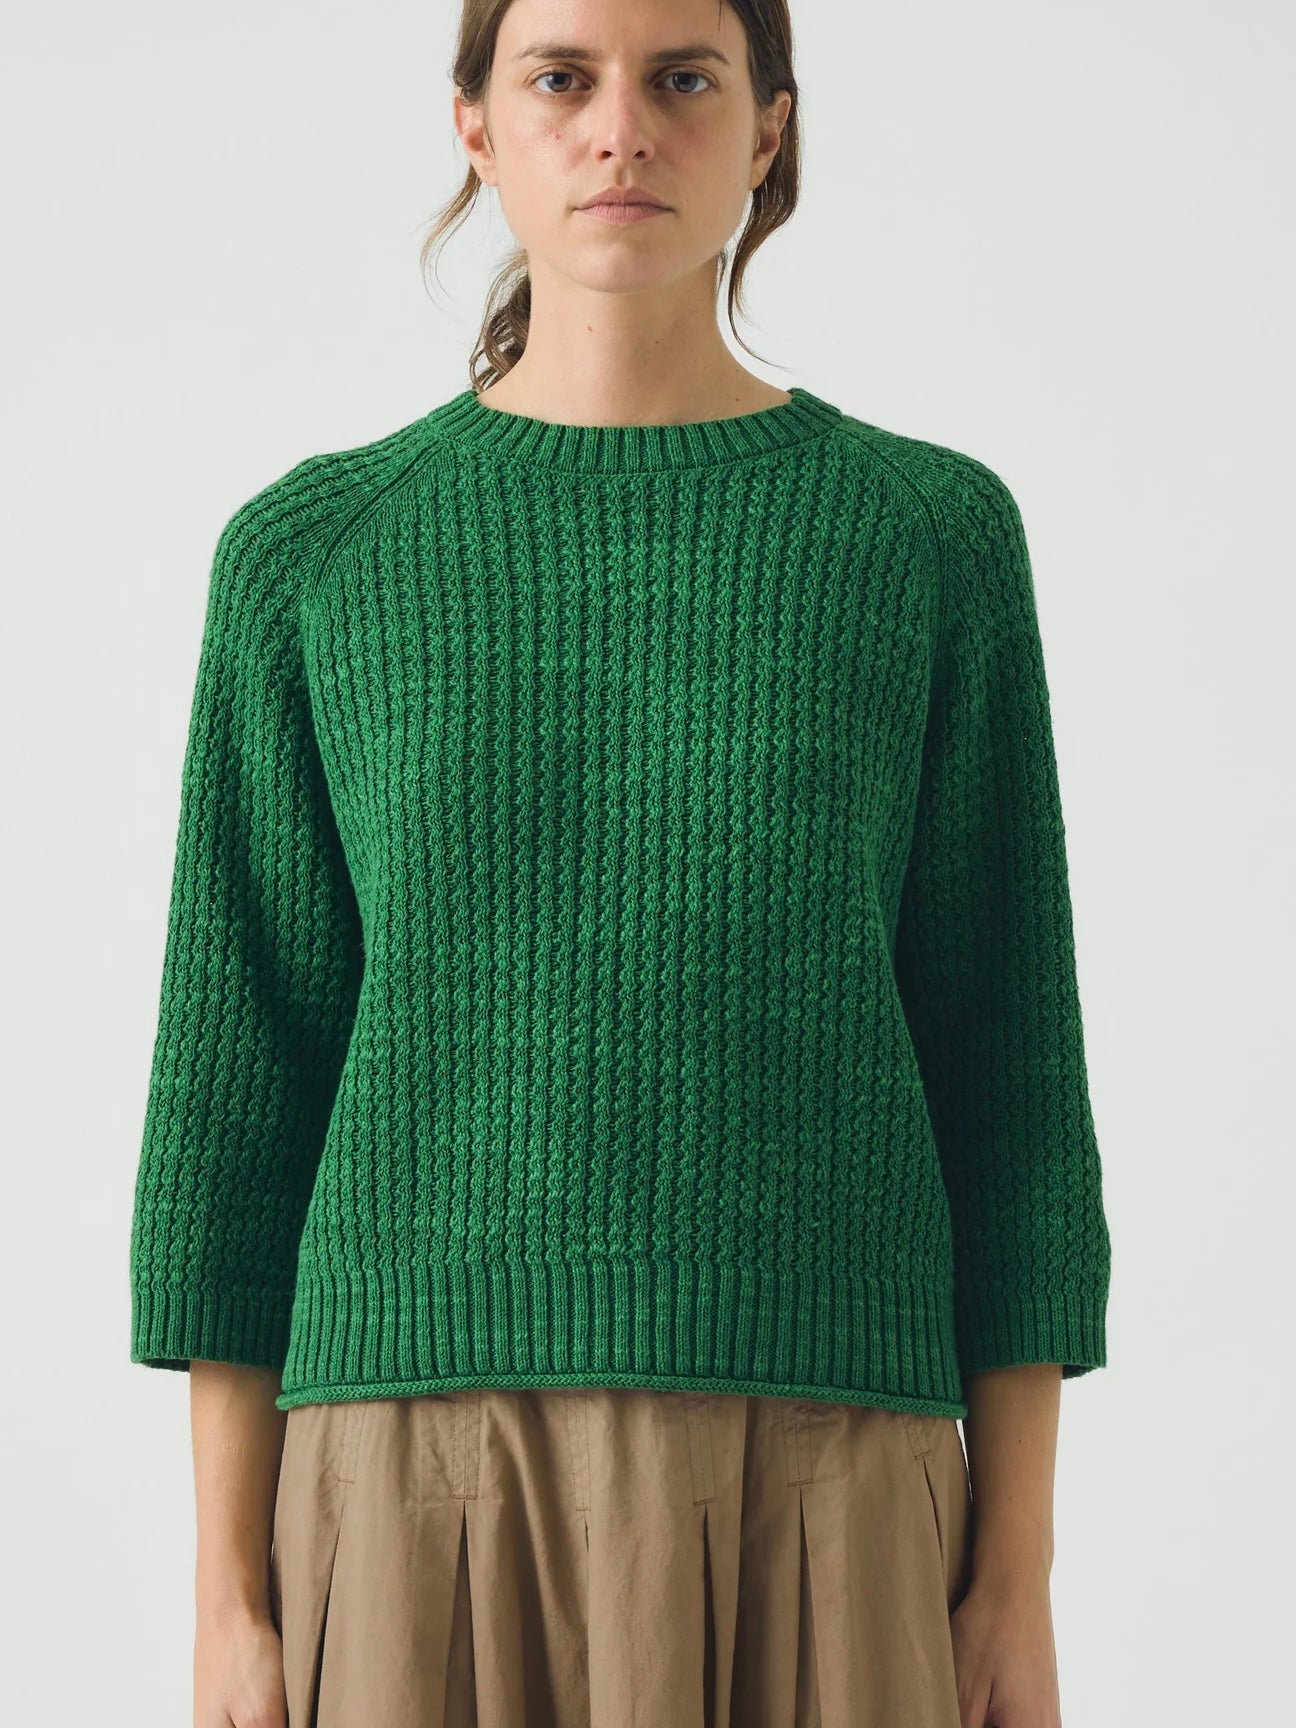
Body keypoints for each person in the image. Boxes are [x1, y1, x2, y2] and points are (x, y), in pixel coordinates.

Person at [127, 1, 1112, 1723]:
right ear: (476, 127)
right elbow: (236, 1102)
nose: (621, 129)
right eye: (562, 79)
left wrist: (1016, 1573)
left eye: (683, 79)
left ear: (770, 127)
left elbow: (1008, 1073)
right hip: (410, 1464)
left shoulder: (928, 540)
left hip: (834, 1456)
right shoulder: (312, 557)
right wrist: (225, 1598)